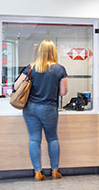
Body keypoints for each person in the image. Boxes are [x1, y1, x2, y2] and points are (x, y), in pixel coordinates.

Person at [13, 40, 69, 181]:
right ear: (54, 52)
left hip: (30, 108)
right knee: (52, 139)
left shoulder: (31, 67)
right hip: (49, 108)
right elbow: (63, 92)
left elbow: (16, 86)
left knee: (34, 139)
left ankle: (38, 172)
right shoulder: (60, 69)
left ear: (40, 51)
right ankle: (55, 171)